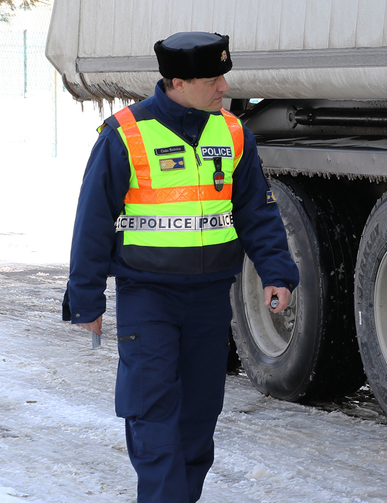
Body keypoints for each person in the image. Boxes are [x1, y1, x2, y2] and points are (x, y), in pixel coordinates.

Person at [63, 31, 299, 502]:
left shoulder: (232, 132)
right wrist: (86, 298)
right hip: (147, 297)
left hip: (211, 298)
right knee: (152, 413)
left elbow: (256, 210)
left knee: (198, 417)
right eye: (213, 78)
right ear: (177, 82)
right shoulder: (125, 134)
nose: (224, 87)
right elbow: (92, 222)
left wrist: (277, 271)